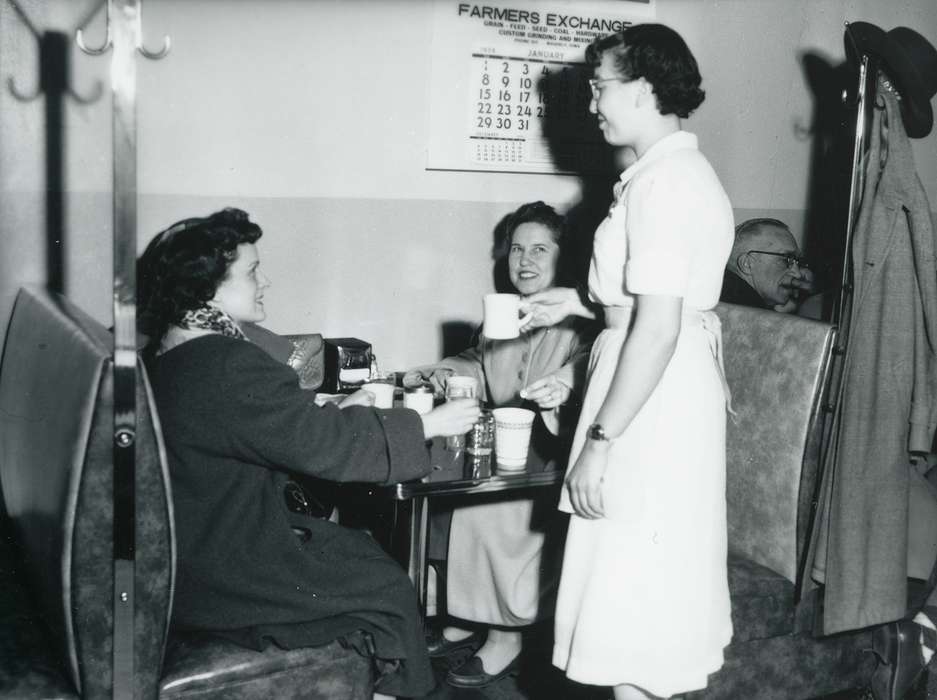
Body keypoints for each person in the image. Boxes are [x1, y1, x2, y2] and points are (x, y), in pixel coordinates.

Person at [137, 207, 480, 699]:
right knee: (387, 587)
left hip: (197, 550)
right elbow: (330, 450)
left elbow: (260, 423)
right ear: (206, 289)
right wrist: (429, 423)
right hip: (225, 569)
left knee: (358, 557)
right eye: (252, 271)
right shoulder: (226, 362)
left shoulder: (174, 346)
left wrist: (340, 408)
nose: (264, 281)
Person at [519, 25, 734, 699]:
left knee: (636, 605)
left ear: (643, 88)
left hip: (652, 402)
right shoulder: (656, 176)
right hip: (652, 383)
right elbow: (647, 307)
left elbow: (658, 329)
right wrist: (580, 305)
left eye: (600, 87)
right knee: (636, 609)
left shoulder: (664, 184)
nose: (592, 103)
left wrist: (600, 442)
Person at [403, 201, 595, 689]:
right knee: (441, 475)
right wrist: (440, 373)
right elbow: (477, 363)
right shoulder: (504, 312)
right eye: (516, 249)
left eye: (539, 249)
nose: (524, 260)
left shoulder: (584, 323)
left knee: (487, 497)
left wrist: (562, 387)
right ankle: (467, 612)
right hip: (510, 440)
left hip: (559, 449)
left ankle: (507, 632)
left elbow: (585, 380)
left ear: (563, 258)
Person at [721, 217, 817, 314]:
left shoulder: (726, 299)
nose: (798, 274)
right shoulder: (745, 311)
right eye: (786, 259)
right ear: (747, 263)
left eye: (797, 261)